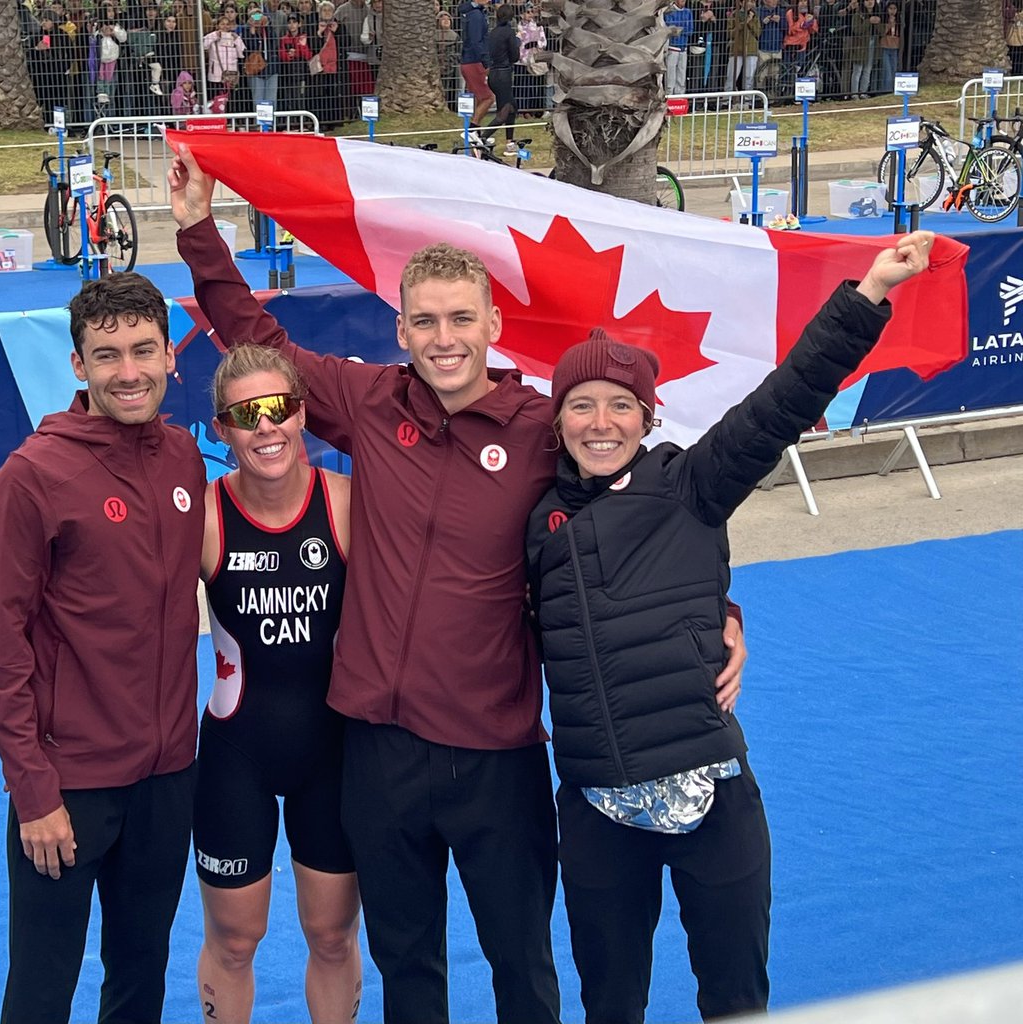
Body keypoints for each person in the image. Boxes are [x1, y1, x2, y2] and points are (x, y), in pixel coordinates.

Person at [168, 145, 746, 1024]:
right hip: (378, 749)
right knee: (407, 967)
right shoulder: (370, 403)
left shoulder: (540, 429)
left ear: (491, 325)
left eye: (461, 319)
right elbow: (263, 349)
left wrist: (721, 612)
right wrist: (197, 232)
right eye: (426, 321)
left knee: (522, 964)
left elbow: (650, 512)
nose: (444, 338)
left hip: (496, 755)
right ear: (401, 331)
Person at [526, 231, 936, 1024]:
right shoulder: (532, 521)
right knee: (610, 1007)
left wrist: (871, 292)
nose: (601, 423)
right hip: (597, 809)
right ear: (559, 418)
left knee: (737, 1003)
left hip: (712, 797)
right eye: (582, 404)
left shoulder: (692, 483)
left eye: (621, 405)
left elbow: (786, 398)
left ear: (647, 417)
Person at [0, 272, 206, 1024]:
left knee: (141, 978)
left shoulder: (183, 457)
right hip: (67, 787)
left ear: (170, 355)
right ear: (78, 364)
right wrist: (34, 791)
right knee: (41, 992)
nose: (128, 372)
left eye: (143, 350)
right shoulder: (31, 478)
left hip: (167, 779)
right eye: (107, 355)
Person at [194, 344, 362, 1024]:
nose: (265, 426)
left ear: (302, 414)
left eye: (278, 408)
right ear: (221, 430)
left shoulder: (346, 505)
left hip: (334, 753)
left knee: (332, 935)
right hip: (238, 753)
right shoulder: (204, 517)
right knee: (234, 941)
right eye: (245, 414)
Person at [479, 3, 520, 155]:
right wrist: (517, 42)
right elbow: (514, 56)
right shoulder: (509, 32)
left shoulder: (493, 32)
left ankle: (510, 142)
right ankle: (483, 137)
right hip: (503, 74)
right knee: (504, 111)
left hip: (494, 74)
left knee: (512, 108)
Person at [458, 0, 494, 125]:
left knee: (479, 96)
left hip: (470, 60)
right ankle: (473, 127)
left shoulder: (472, 13)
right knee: (488, 98)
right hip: (474, 61)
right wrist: (486, 61)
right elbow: (476, 41)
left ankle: (474, 128)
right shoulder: (476, 16)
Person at [726, 0, 760, 91]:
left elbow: (758, 33)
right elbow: (731, 34)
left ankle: (747, 98)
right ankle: (728, 97)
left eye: (752, 2)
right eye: (748, 1)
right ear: (741, 3)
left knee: (749, 77)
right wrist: (744, 22)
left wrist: (750, 21)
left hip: (751, 50)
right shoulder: (734, 15)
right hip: (737, 50)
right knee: (732, 77)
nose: (750, 4)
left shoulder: (755, 16)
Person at [664, 0, 692, 95]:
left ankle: (680, 96)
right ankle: (669, 95)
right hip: (673, 47)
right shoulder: (669, 11)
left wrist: (679, 28)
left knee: (682, 74)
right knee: (670, 74)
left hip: (684, 47)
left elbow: (690, 30)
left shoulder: (688, 12)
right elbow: (671, 29)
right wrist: (682, 27)